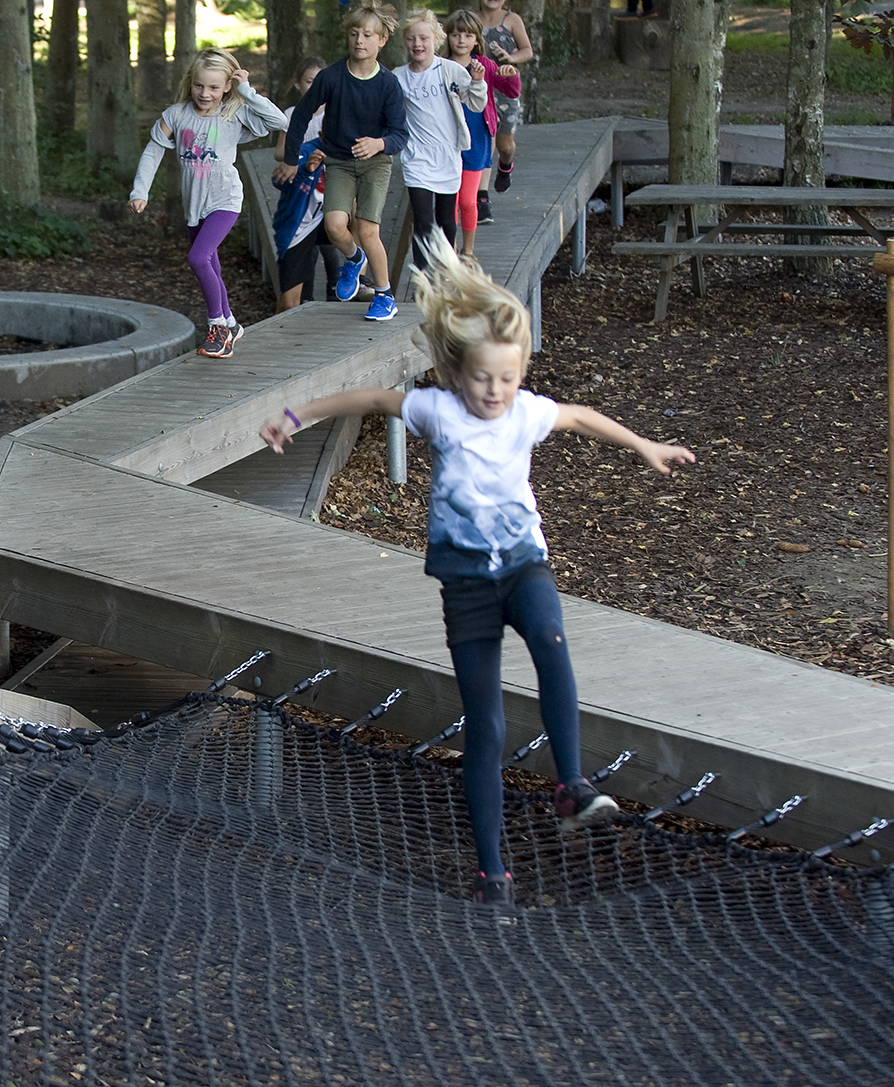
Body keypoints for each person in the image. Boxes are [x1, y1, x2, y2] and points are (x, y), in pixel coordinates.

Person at [259, 235, 696, 904]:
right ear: (457, 374)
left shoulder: (525, 413)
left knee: (551, 640)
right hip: (465, 585)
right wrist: (296, 414)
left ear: (521, 375)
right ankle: (493, 872)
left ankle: (571, 785)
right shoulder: (440, 411)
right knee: (485, 726)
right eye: (483, 378)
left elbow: (579, 416)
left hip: (523, 565)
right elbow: (374, 400)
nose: (495, 391)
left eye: (508, 378)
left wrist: (645, 446)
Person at [130, 48, 287, 359]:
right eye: (199, 85)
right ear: (191, 82)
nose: (205, 93)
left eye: (214, 87)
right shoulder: (176, 115)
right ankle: (230, 321)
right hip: (195, 205)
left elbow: (278, 120)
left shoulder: (234, 113)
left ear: (226, 86)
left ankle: (217, 326)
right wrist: (140, 191)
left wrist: (246, 90)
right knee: (210, 262)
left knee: (199, 258)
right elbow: (152, 152)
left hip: (225, 200)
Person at [277, 0, 411, 322]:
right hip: (338, 162)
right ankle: (354, 259)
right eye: (354, 34)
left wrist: (379, 143)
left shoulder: (388, 84)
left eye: (368, 35)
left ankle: (384, 294)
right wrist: (294, 157)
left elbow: (400, 135)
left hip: (376, 163)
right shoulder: (332, 77)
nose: (359, 41)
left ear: (382, 40)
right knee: (335, 226)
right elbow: (301, 116)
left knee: (366, 228)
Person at [395, 9, 488, 281]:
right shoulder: (398, 77)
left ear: (436, 39)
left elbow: (475, 102)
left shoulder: (450, 70)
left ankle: (448, 272)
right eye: (411, 39)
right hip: (416, 159)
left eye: (423, 38)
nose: (417, 44)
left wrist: (478, 82)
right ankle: (423, 279)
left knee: (446, 220)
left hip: (448, 156)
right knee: (423, 221)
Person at [444, 9, 521, 254]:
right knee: (450, 201)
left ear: (477, 39)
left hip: (477, 138)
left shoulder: (485, 64)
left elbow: (511, 91)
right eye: (456, 35)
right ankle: (452, 251)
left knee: (468, 200)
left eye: (468, 35)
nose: (461, 41)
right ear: (448, 37)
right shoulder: (439, 66)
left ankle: (469, 251)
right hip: (447, 139)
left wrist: (511, 75)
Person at [272, 57, 342, 310]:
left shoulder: (334, 111)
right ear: (298, 84)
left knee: (334, 238)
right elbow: (280, 154)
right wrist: (302, 154)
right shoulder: (292, 115)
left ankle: (339, 287)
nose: (314, 87)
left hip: (330, 185)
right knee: (306, 246)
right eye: (309, 81)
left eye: (319, 82)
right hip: (303, 187)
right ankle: (306, 298)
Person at [473, 0, 535, 197]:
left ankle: (506, 166)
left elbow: (527, 50)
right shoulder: (472, 21)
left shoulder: (512, 20)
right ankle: (481, 196)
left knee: (504, 145)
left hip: (506, 90)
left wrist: (511, 58)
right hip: (478, 88)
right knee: (484, 143)